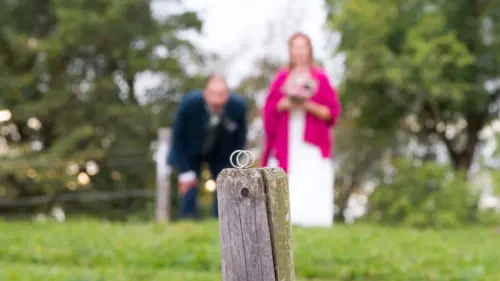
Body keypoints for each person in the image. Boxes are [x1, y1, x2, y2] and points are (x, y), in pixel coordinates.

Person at [261, 32, 342, 227]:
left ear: (309, 50)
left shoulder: (320, 78)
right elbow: (269, 109)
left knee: (311, 173)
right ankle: (286, 219)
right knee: (287, 174)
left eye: (303, 46)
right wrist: (285, 103)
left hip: (312, 137)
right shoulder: (281, 77)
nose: (299, 51)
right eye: (295, 47)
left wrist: (307, 105)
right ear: (290, 50)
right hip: (285, 136)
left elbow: (331, 112)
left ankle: (313, 219)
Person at [167, 74, 248, 219]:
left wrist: (232, 165)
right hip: (189, 151)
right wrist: (185, 171)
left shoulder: (238, 107)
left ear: (227, 95)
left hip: (221, 154)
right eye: (213, 94)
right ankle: (187, 223)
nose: (216, 100)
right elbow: (178, 136)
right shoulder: (189, 103)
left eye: (221, 95)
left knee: (225, 186)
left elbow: (240, 139)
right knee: (188, 187)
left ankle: (222, 222)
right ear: (205, 93)